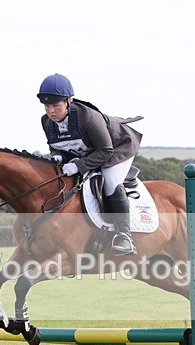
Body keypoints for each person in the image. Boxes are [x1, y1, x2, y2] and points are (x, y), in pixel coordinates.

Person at [37, 73, 143, 256]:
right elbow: (55, 146)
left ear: (69, 101)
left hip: (117, 147)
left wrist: (78, 166)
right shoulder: (46, 121)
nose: (51, 111)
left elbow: (105, 150)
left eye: (55, 105)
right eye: (47, 106)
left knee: (110, 182)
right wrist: (57, 156)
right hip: (90, 152)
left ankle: (125, 236)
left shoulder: (87, 117)